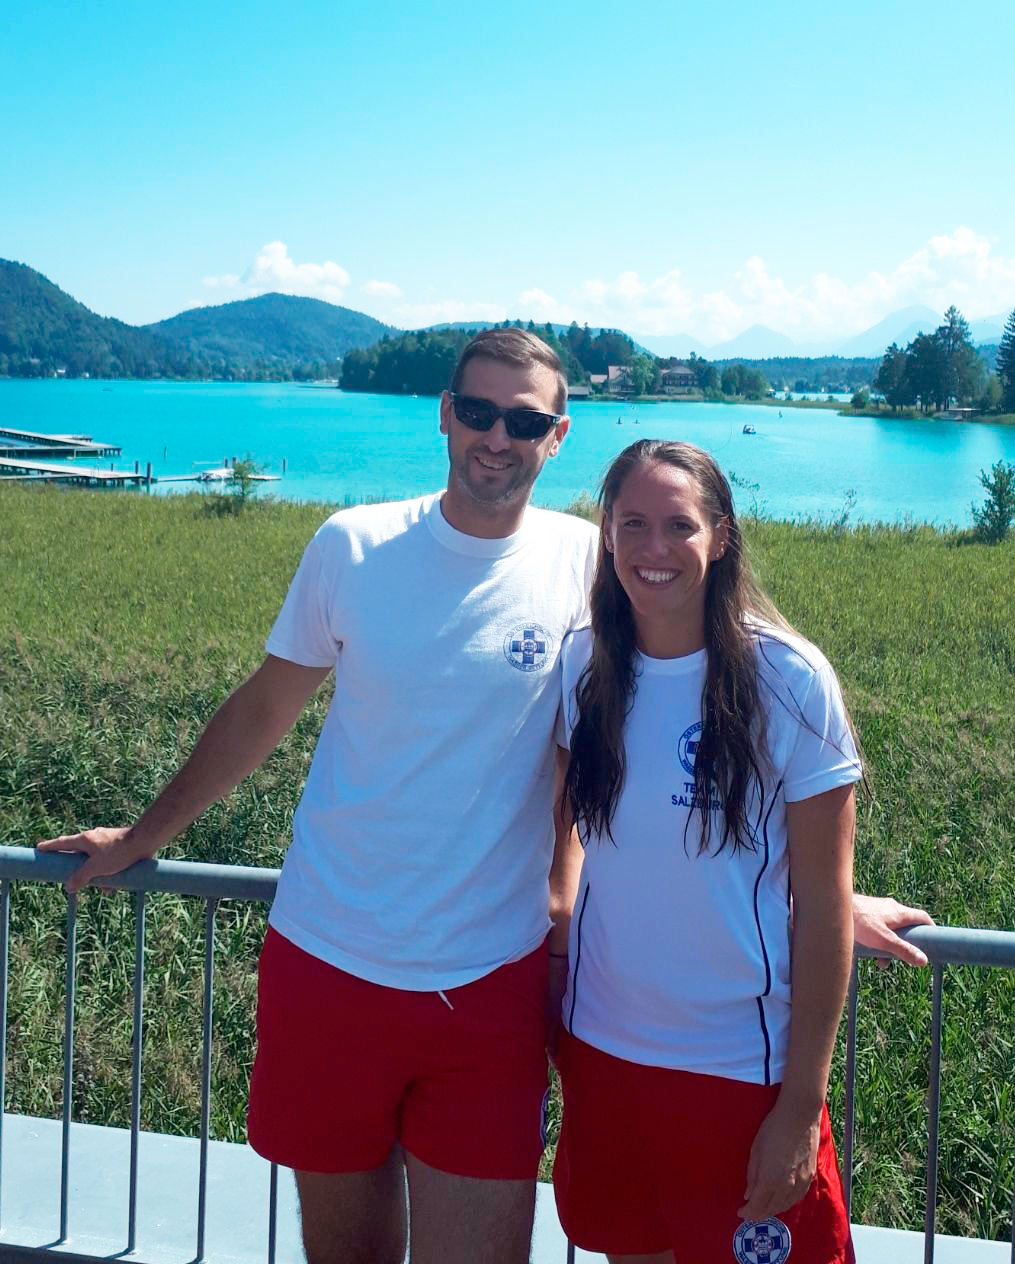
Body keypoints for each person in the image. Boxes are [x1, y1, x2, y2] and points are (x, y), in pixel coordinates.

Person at [37, 334, 929, 1264]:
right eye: (478, 412)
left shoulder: (593, 567)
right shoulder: (354, 545)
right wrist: (141, 836)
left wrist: (814, 892)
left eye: (526, 420)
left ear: (558, 437)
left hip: (493, 985)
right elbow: (262, 710)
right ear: (444, 414)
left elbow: (624, 746)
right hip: (327, 958)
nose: (497, 437)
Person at [552, 439, 877, 1264]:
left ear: (721, 537)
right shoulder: (583, 663)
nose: (653, 549)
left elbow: (823, 899)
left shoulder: (787, 679)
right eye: (632, 524)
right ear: (607, 532)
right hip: (602, 1053)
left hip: (739, 1071)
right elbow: (575, 845)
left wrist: (799, 1107)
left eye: (677, 525)